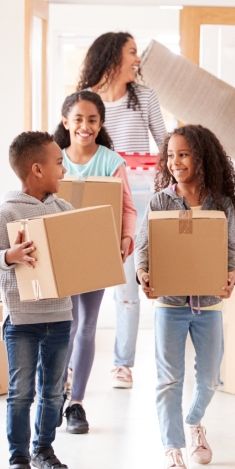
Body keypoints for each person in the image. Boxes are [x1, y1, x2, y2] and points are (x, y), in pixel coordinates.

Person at [134, 125, 235, 469]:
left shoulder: (220, 203)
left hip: (208, 303)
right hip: (169, 303)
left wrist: (232, 273)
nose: (175, 162)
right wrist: (143, 273)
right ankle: (173, 449)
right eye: (170, 155)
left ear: (202, 157)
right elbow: (144, 247)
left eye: (183, 154)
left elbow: (233, 248)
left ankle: (194, 421)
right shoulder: (160, 202)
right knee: (169, 380)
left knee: (210, 379)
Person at [0, 131, 73, 469]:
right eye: (58, 163)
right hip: (21, 321)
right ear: (37, 169)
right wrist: (10, 256)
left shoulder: (63, 210)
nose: (63, 169)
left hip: (61, 316)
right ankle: (18, 461)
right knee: (21, 392)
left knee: (53, 392)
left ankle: (43, 450)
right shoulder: (8, 211)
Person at [80, 32, 168, 390]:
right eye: (132, 52)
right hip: (96, 200)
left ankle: (122, 365)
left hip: (138, 200)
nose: (138, 59)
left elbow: (165, 145)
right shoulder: (87, 102)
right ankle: (73, 362)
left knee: (127, 284)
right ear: (112, 57)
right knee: (81, 283)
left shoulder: (144, 97)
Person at [53, 91, 138, 435]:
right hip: (61, 253)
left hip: (97, 252)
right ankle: (55, 394)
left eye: (92, 120)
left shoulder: (111, 161)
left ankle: (76, 403)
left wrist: (125, 240)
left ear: (100, 124)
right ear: (66, 122)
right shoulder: (53, 158)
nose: (85, 127)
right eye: (78, 119)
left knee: (86, 325)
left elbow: (128, 208)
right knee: (64, 326)